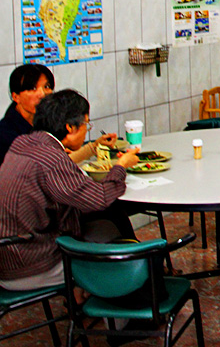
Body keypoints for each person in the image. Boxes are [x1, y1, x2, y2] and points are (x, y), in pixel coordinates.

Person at [0, 90, 140, 291]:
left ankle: (93, 299)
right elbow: (99, 198)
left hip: (8, 255)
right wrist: (121, 166)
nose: (86, 130)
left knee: (107, 227)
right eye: (85, 125)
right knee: (116, 256)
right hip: (28, 266)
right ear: (69, 127)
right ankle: (127, 304)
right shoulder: (51, 159)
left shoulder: (24, 143)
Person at [0, 64, 117, 166]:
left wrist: (96, 145)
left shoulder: (48, 119)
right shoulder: (6, 133)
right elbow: (48, 166)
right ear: (16, 96)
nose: (42, 94)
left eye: (46, 87)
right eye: (33, 88)